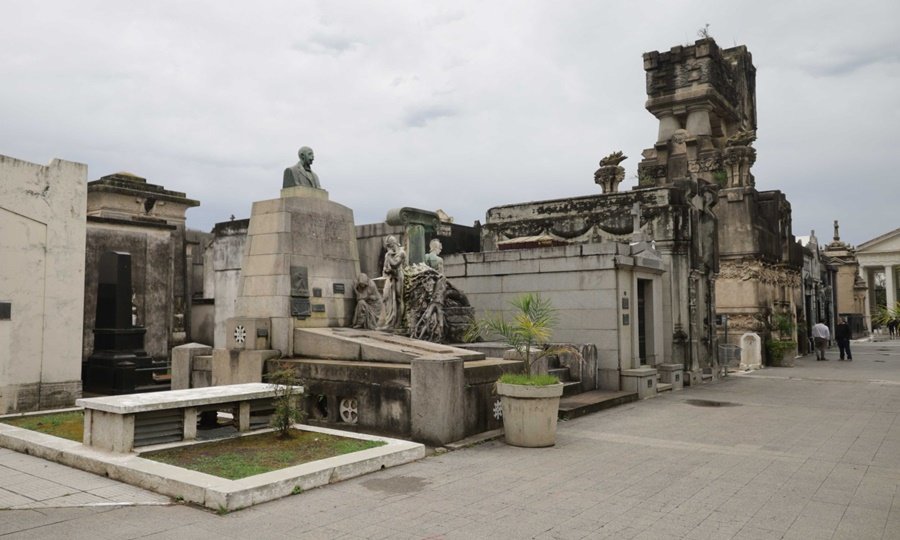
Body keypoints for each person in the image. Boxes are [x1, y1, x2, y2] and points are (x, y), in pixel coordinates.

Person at [378, 236, 408, 330]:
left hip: (398, 276)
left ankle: (397, 323)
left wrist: (389, 256)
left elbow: (395, 264)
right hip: (390, 277)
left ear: (394, 243)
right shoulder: (389, 254)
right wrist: (386, 270)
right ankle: (389, 321)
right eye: (388, 246)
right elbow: (385, 268)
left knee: (399, 299)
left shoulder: (401, 253)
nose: (389, 248)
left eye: (390, 246)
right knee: (386, 297)